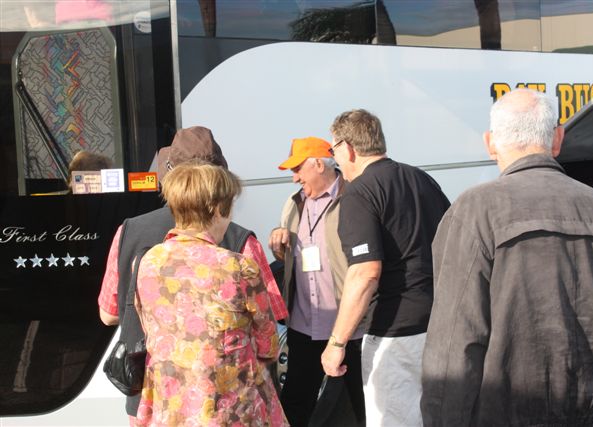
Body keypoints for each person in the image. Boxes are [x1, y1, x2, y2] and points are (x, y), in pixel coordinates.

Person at [421, 88, 593, 426]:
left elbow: (455, 340)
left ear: (490, 143)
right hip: (591, 413)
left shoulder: (474, 211)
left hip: (502, 414)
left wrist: (442, 418)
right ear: (558, 139)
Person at [97, 126, 287, 423]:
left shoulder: (133, 241)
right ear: (218, 200)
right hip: (225, 406)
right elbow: (270, 330)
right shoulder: (241, 248)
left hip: (157, 402)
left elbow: (109, 315)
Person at [321, 109, 450, 426]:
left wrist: (336, 343)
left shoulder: (358, 193)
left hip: (395, 333)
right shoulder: (421, 178)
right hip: (441, 323)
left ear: (348, 148)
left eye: (333, 150)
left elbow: (364, 273)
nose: (335, 159)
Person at [268, 137, 365, 427]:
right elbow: (291, 259)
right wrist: (278, 245)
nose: (294, 178)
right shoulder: (294, 202)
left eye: (298, 169)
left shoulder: (353, 198)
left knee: (363, 404)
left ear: (319, 165)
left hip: (348, 325)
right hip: (304, 324)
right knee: (295, 405)